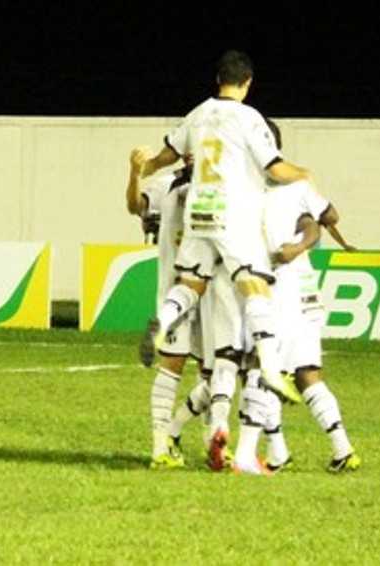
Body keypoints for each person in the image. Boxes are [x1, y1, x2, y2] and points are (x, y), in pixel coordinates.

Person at [136, 50, 314, 461]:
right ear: (247, 81)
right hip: (235, 214)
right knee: (255, 284)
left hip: (200, 210)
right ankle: (270, 365)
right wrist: (306, 175)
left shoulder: (197, 114)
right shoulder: (249, 118)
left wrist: (144, 165)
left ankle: (162, 322)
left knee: (190, 284)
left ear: (218, 79)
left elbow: (164, 158)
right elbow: (275, 167)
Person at [233, 120, 361, 474]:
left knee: (260, 367)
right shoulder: (263, 187)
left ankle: (263, 454)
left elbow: (322, 218)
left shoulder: (283, 187)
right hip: (301, 289)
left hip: (283, 290)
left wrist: (297, 244)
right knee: (306, 372)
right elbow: (316, 219)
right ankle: (341, 448)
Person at [126, 147, 213, 469]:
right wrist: (135, 173)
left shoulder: (217, 185)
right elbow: (136, 206)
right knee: (196, 367)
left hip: (192, 292)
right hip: (196, 287)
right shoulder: (166, 185)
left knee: (209, 371)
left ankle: (181, 440)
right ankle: (163, 447)